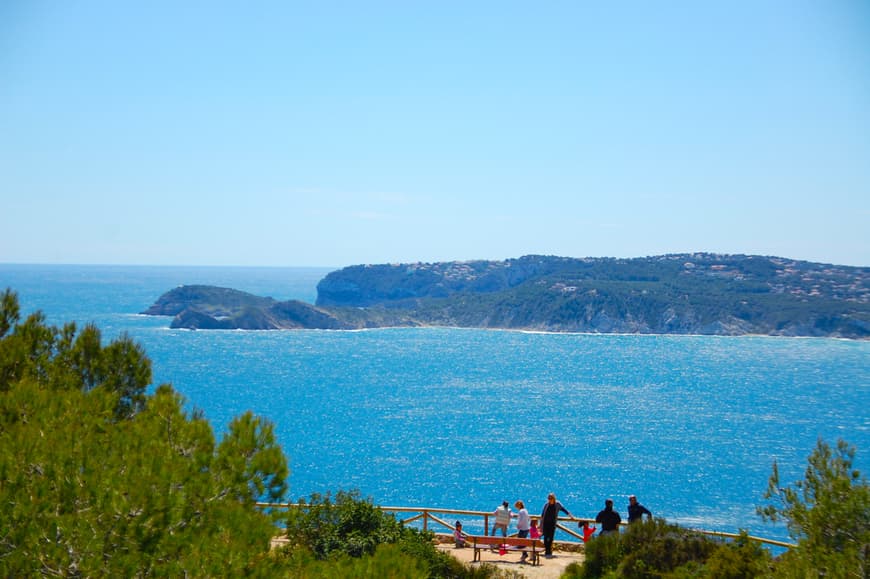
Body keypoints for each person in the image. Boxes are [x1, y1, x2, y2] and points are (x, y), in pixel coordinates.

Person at [540, 492, 573, 557]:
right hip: (545, 524)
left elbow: (564, 510)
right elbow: (542, 515)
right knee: (545, 538)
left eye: (551, 498)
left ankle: (549, 552)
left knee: (550, 538)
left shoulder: (557, 504)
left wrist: (570, 516)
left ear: (554, 498)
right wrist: (540, 524)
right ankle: (547, 551)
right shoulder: (546, 505)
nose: (550, 499)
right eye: (549, 498)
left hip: (552, 524)